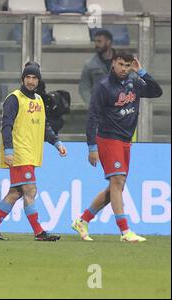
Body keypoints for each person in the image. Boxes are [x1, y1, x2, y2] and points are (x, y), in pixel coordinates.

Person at [72, 51, 163, 243]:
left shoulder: (134, 82)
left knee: (115, 187)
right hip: (108, 138)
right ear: (113, 63)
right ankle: (125, 231)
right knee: (118, 181)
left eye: (127, 65)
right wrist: (91, 146)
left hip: (125, 140)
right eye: (121, 64)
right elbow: (92, 117)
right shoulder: (103, 86)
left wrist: (142, 72)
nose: (124, 69)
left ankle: (82, 220)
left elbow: (156, 91)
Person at [0, 63, 67, 241]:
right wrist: (8, 149)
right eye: (28, 77)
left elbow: (44, 126)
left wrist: (56, 142)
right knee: (30, 189)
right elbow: (6, 126)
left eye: (34, 78)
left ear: (38, 80)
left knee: (16, 192)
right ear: (22, 79)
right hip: (19, 152)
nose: (31, 81)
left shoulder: (38, 100)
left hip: (31, 153)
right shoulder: (14, 99)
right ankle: (39, 232)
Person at [79, 30, 115, 106]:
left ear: (108, 42)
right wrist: (92, 105)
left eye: (99, 41)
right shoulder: (90, 64)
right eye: (95, 41)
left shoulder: (123, 62)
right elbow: (84, 87)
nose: (96, 44)